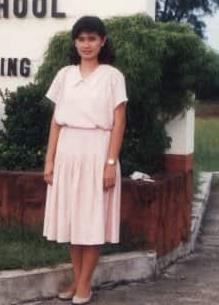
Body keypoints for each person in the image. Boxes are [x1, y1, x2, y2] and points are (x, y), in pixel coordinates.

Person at [42, 16, 128, 305]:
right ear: (75, 42)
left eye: (92, 38)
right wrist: (49, 160)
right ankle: (78, 281)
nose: (86, 44)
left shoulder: (113, 76)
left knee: (91, 221)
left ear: (103, 41)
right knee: (73, 220)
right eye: (81, 39)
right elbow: (55, 122)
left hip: (97, 152)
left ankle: (84, 285)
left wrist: (110, 163)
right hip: (67, 152)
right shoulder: (65, 75)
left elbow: (119, 123)